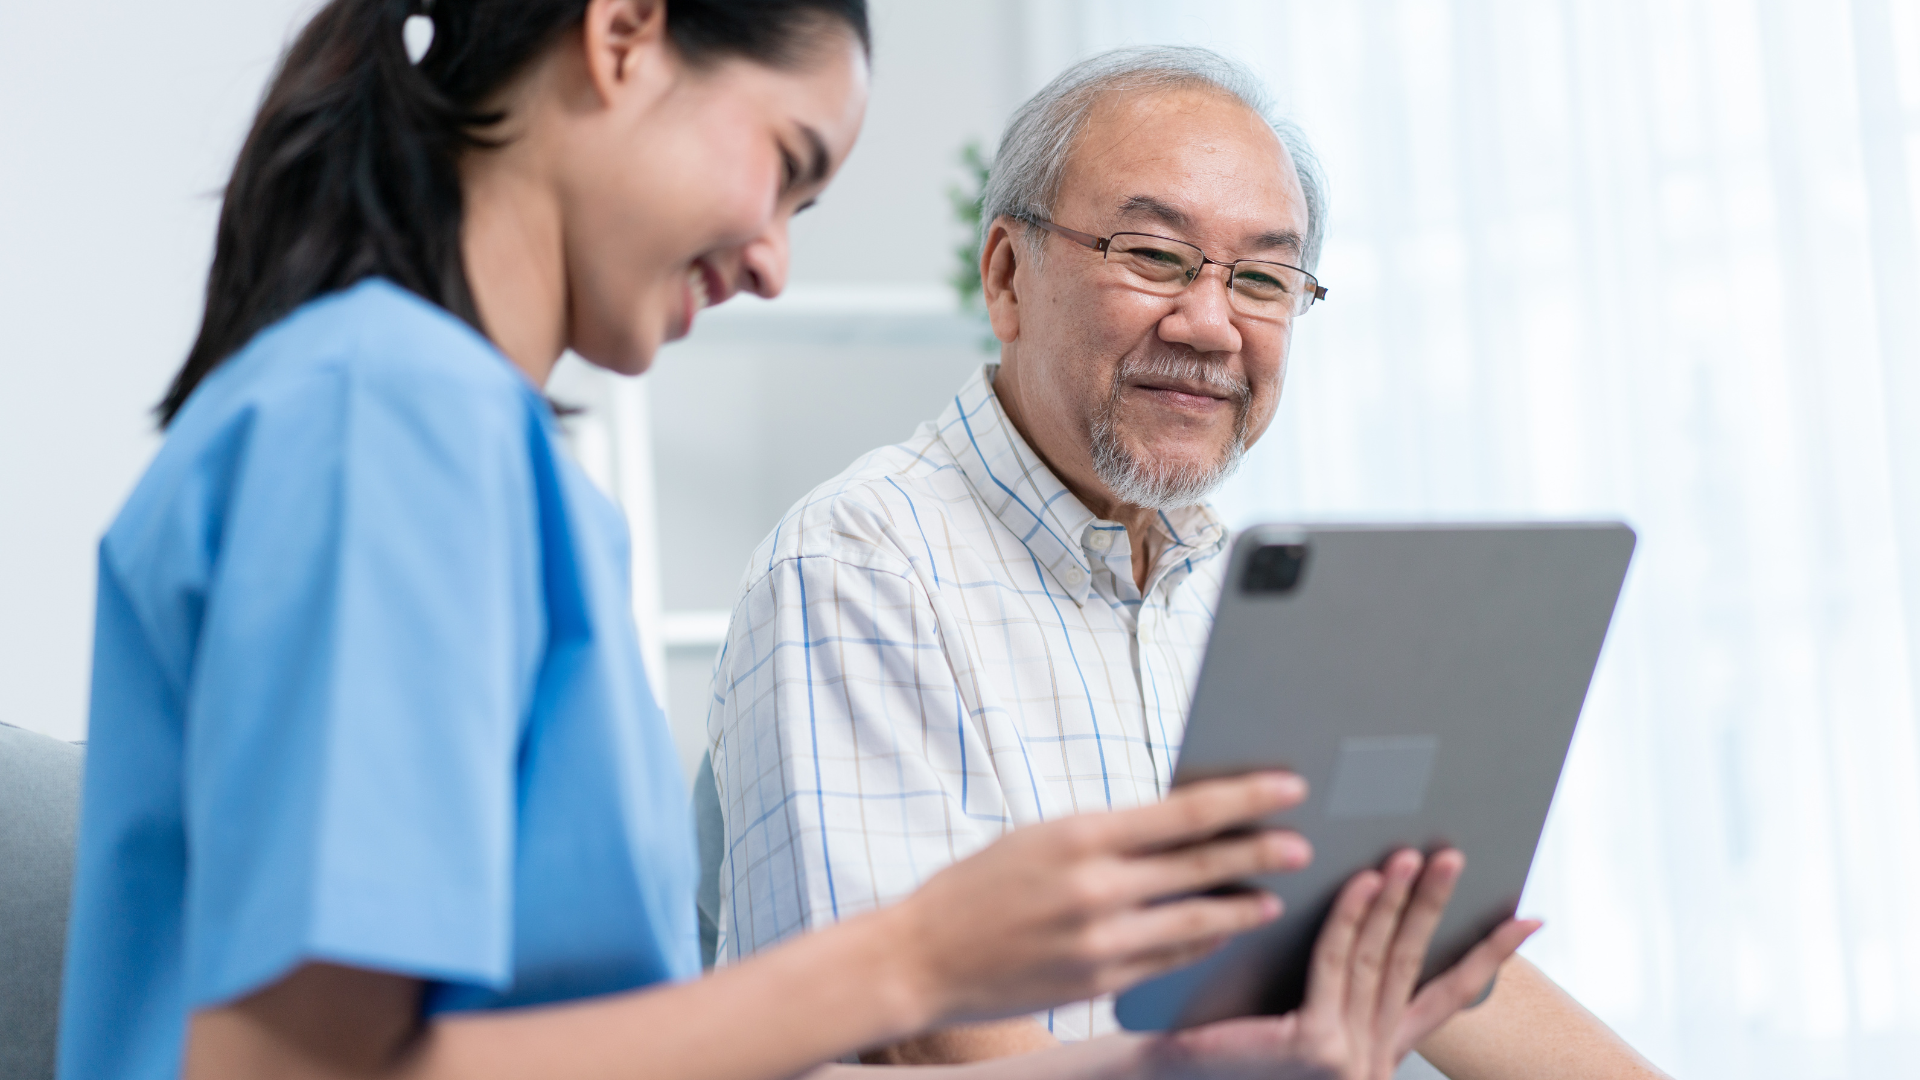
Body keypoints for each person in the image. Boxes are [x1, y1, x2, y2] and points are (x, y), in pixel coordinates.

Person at [57, 5, 1534, 1080]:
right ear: (624, 35)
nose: (772, 258)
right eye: (783, 163)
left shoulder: (504, 466)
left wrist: (1228, 1059)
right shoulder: (384, 421)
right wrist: (921, 955)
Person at [705, 46, 1669, 1079]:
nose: (1211, 323)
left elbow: (1414, 944)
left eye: (1263, 278)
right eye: (1154, 256)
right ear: (1007, 276)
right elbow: (935, 1040)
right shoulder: (858, 566)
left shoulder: (1243, 596)